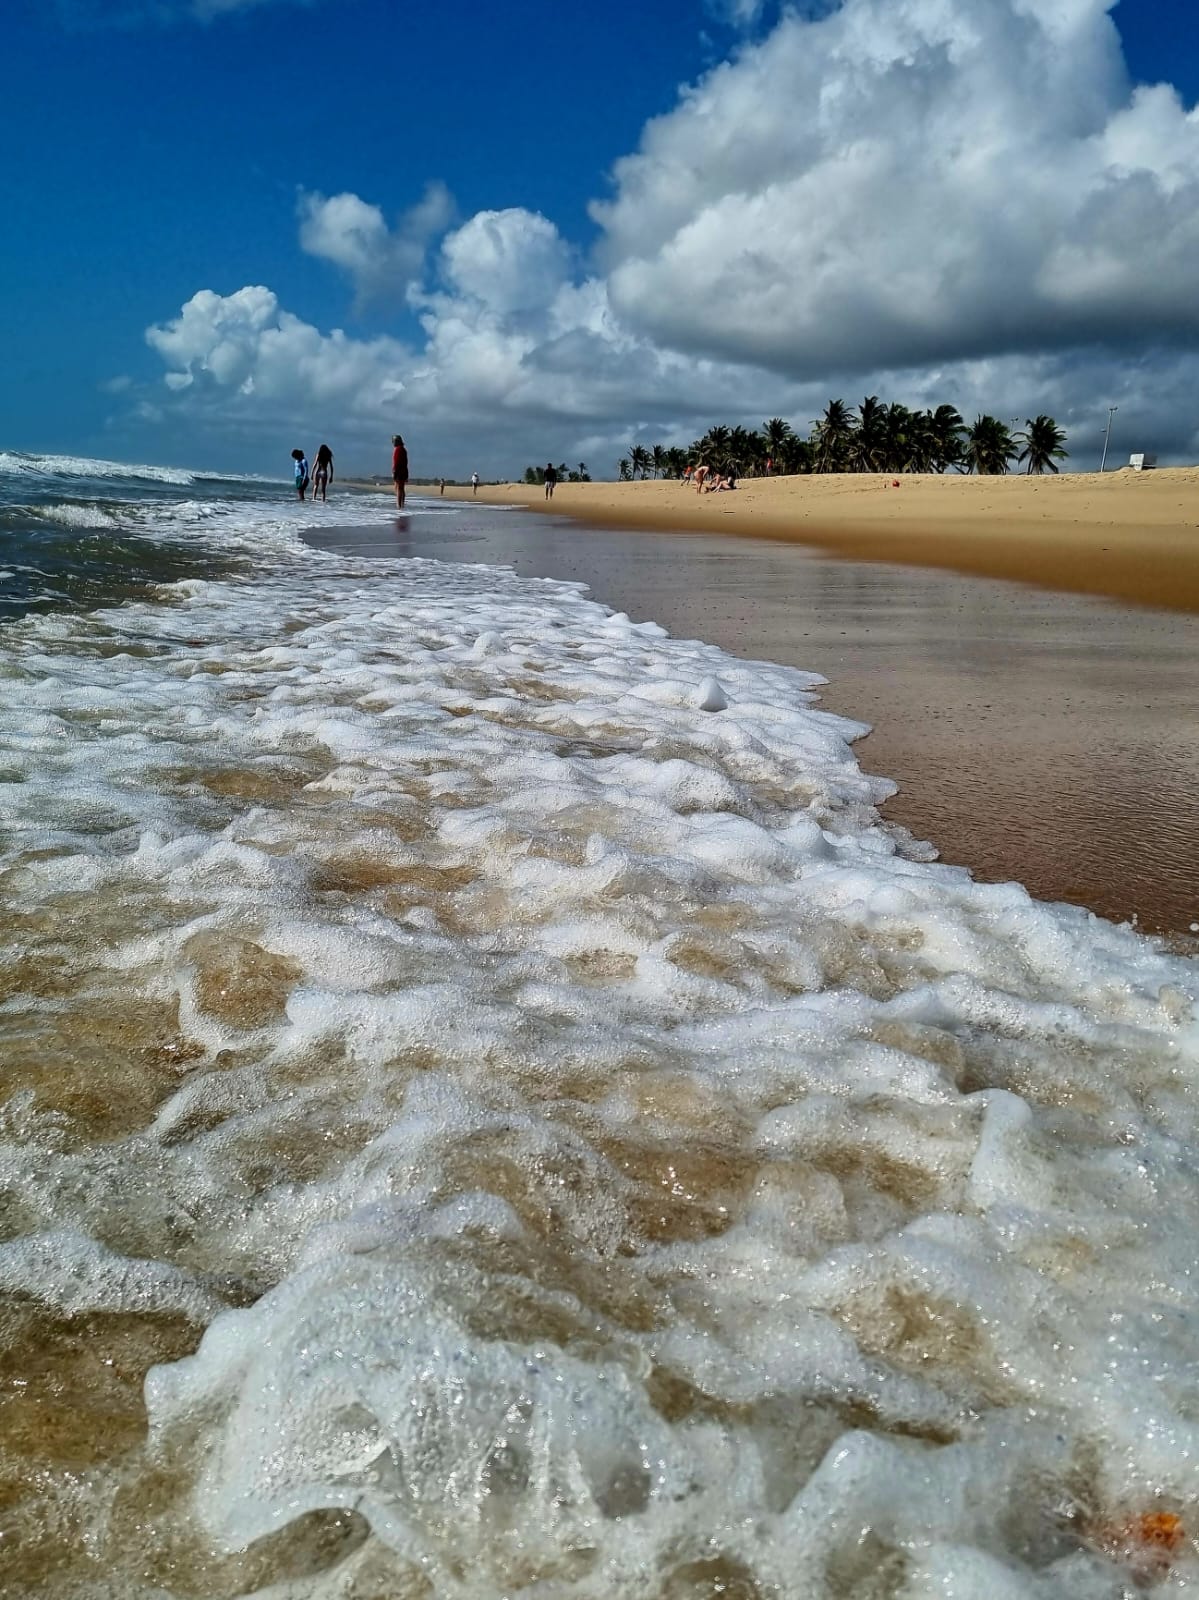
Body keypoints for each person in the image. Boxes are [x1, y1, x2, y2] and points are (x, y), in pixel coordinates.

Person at [391, 434, 409, 510]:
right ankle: (402, 504)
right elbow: (406, 462)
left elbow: (396, 462)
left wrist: (394, 472)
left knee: (398, 488)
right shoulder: (403, 449)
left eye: (393, 441)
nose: (393, 443)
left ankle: (399, 505)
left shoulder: (398, 449)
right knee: (401, 488)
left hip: (399, 471)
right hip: (404, 471)